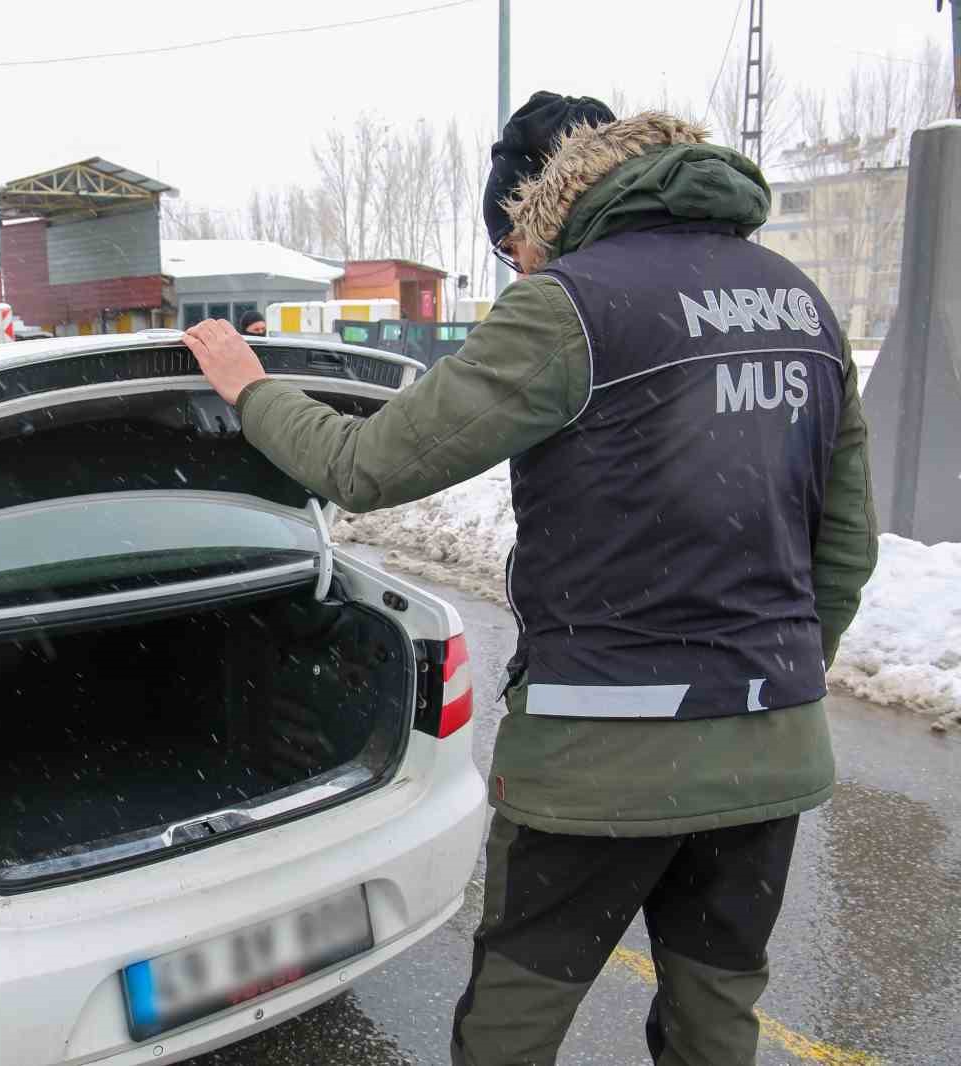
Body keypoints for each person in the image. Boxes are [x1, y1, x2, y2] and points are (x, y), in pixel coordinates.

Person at [183, 93, 878, 1065]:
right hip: (773, 751)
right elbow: (845, 548)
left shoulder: (571, 305)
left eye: (515, 243)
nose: (517, 262)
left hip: (601, 759)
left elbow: (364, 466)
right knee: (714, 1018)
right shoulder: (801, 302)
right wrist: (769, 687)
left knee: (513, 1020)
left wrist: (249, 386)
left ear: (540, 206)